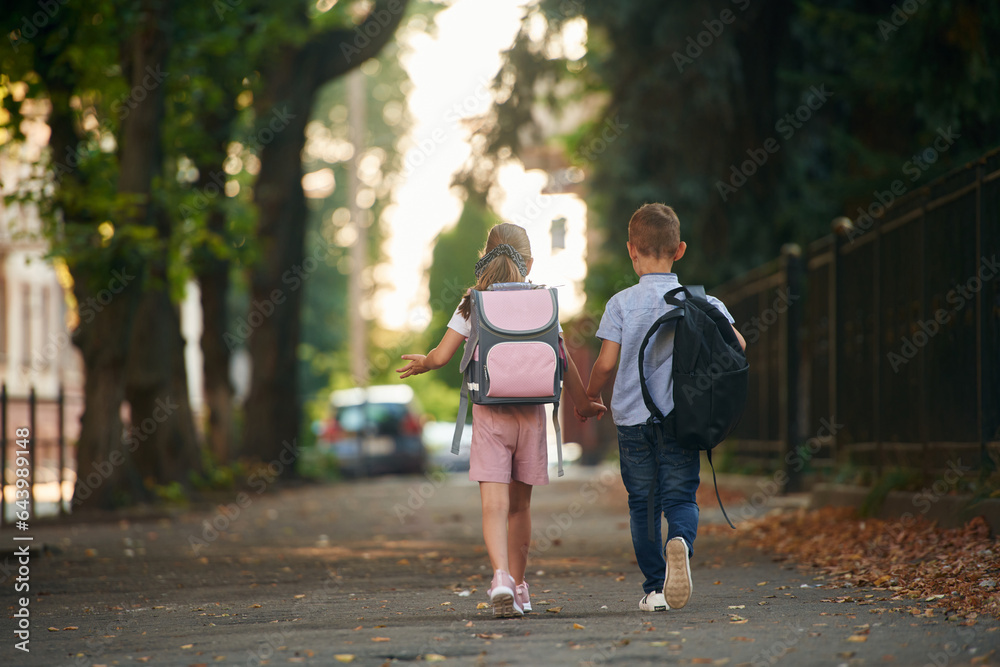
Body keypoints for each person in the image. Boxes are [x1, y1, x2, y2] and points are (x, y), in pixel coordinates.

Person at [397, 222, 606, 618]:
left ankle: (500, 578)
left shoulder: (472, 302)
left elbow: (441, 357)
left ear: (484, 258)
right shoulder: (543, 302)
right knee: (519, 508)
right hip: (531, 417)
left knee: (493, 505)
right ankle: (522, 587)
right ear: (529, 262)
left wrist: (424, 362)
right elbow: (561, 358)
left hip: (490, 415)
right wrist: (583, 403)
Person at [582, 203, 746, 612]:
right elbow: (739, 346)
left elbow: (605, 363)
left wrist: (589, 400)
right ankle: (681, 543)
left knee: (642, 504)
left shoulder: (622, 303)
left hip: (633, 421)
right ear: (680, 249)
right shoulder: (703, 302)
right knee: (681, 498)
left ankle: (656, 589)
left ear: (631, 250)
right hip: (683, 418)